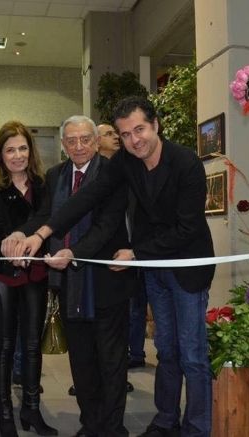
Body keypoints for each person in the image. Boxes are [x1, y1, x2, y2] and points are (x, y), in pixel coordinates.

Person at [7, 97, 215, 437]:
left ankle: (196, 428)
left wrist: (135, 252)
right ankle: (166, 421)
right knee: (165, 350)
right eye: (126, 134)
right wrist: (41, 233)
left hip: (186, 269)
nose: (135, 140)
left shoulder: (186, 162)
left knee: (192, 355)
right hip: (154, 270)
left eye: (140, 129)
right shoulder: (126, 162)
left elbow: (188, 228)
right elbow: (87, 197)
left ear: (155, 125)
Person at [11, 115, 134, 437]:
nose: (78, 146)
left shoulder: (112, 172)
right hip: (68, 284)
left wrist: (73, 252)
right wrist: (22, 234)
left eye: (85, 139)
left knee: (111, 361)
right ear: (63, 144)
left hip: (106, 279)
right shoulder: (55, 176)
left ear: (96, 141)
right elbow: (45, 215)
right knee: (81, 360)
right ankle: (90, 424)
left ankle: (112, 428)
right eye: (71, 141)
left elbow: (107, 225)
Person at [0, 121, 56, 437]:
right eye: (10, 150)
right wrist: (10, 246)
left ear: (31, 151)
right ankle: (5, 414)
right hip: (1, 273)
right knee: (4, 343)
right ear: (0, 153)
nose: (18, 155)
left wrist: (22, 238)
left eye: (23, 148)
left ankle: (32, 409)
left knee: (32, 343)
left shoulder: (42, 183)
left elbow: (47, 218)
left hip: (34, 270)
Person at [96, 124, 148, 368]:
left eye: (116, 133)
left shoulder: (133, 167)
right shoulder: (95, 173)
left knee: (137, 303)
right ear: (97, 141)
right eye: (108, 134)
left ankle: (135, 353)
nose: (116, 137)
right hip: (107, 253)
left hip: (137, 248)